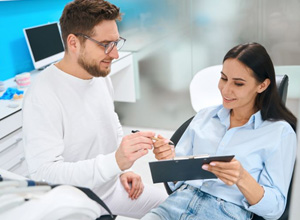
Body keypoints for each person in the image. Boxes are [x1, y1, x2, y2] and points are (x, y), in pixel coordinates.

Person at [22, 0, 168, 218]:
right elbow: (46, 174)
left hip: (110, 188)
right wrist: (115, 162)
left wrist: (123, 169)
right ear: (73, 43)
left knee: (174, 208)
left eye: (116, 42)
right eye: (105, 44)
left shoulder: (97, 74)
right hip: (73, 199)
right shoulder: (43, 94)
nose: (115, 54)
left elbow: (112, 123)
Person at [143, 42, 297, 220]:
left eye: (238, 84)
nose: (225, 89)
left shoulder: (280, 133)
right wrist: (168, 160)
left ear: (262, 86)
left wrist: (242, 178)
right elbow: (176, 183)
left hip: (224, 213)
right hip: (175, 205)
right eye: (223, 78)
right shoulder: (204, 117)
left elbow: (276, 209)